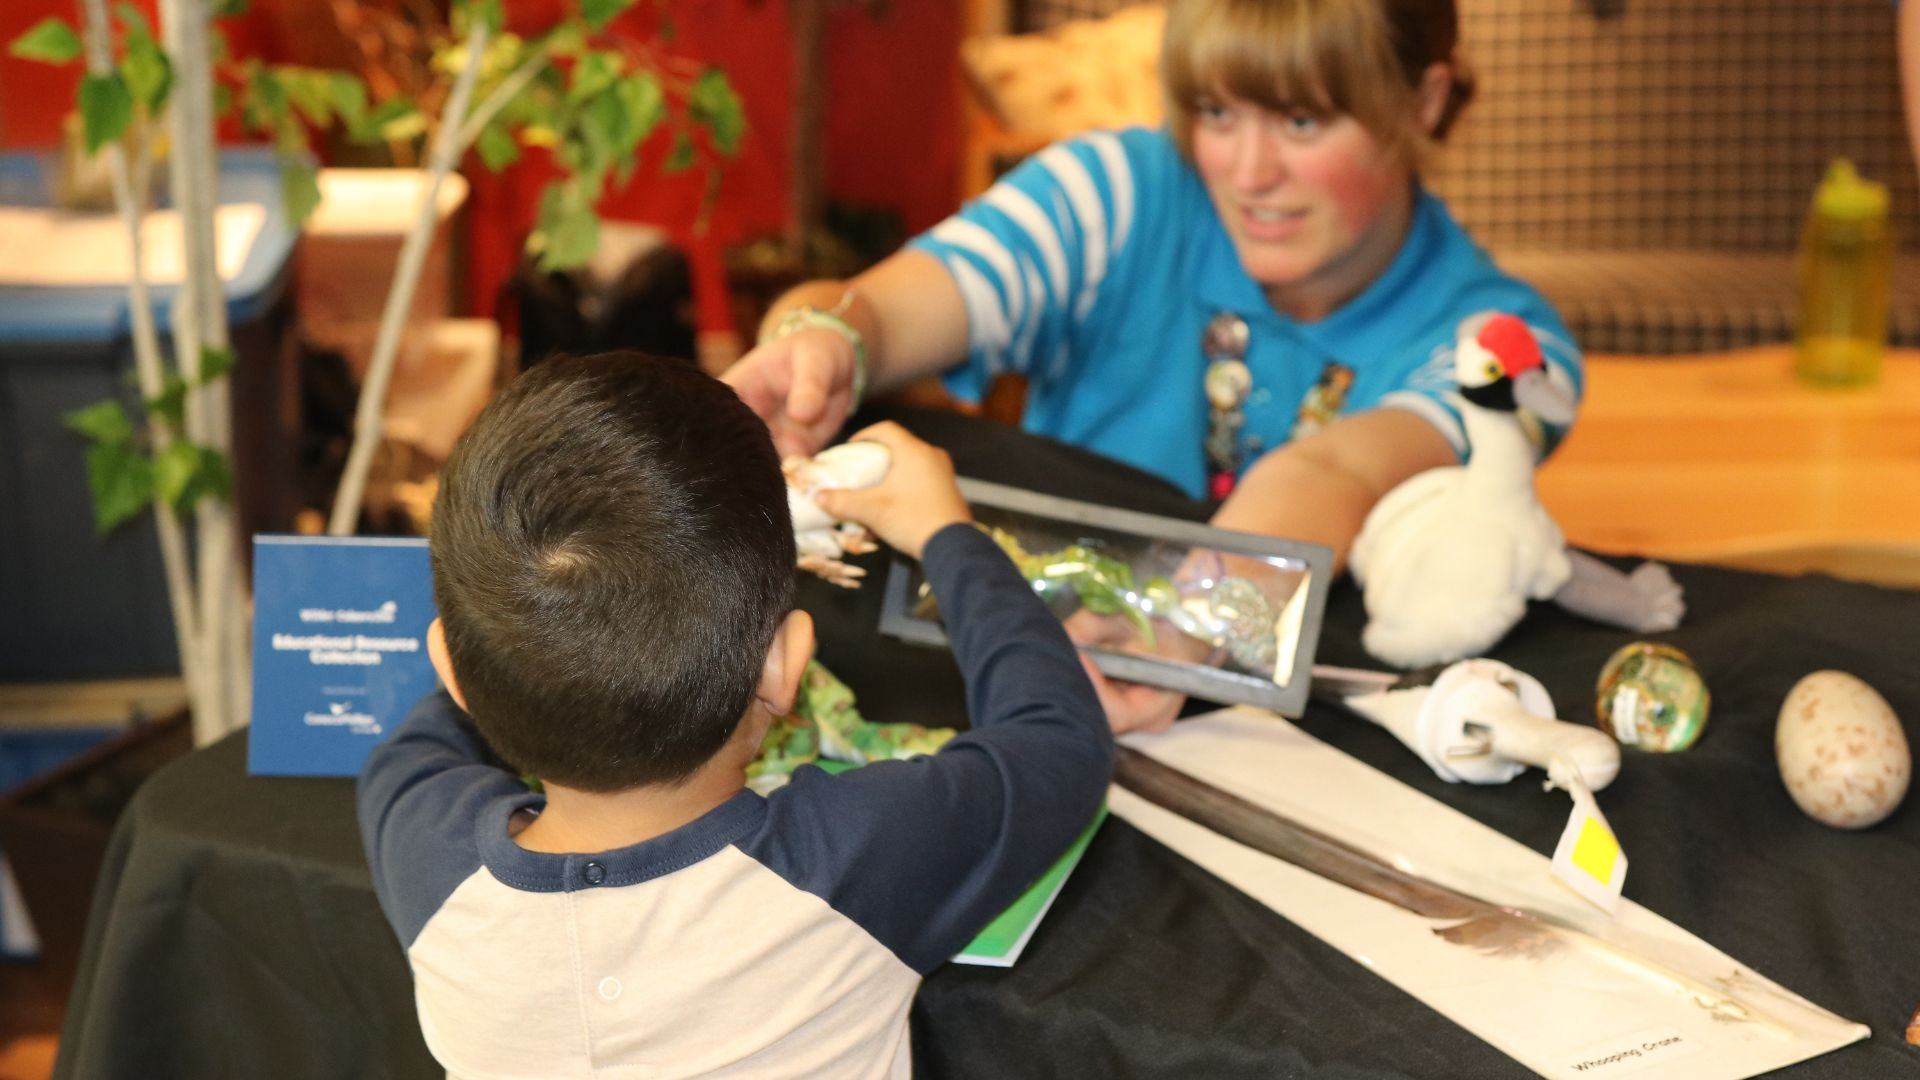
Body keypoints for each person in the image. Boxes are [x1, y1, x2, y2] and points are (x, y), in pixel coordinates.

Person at [725, 0, 1583, 731]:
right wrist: (821, 339)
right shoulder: (1115, 191)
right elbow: (883, 303)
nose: (1249, 173)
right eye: (1216, 112)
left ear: (1424, 100)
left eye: (1301, 120)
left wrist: (1176, 629)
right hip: (1028, 680)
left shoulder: (1506, 350)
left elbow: (1335, 470)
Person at [357, 353, 1111, 1078]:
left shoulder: (424, 851)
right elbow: (1060, 740)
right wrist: (948, 534)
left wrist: (517, 636)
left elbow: (425, 736)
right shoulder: (854, 860)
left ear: (451, 668)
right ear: (786, 667)